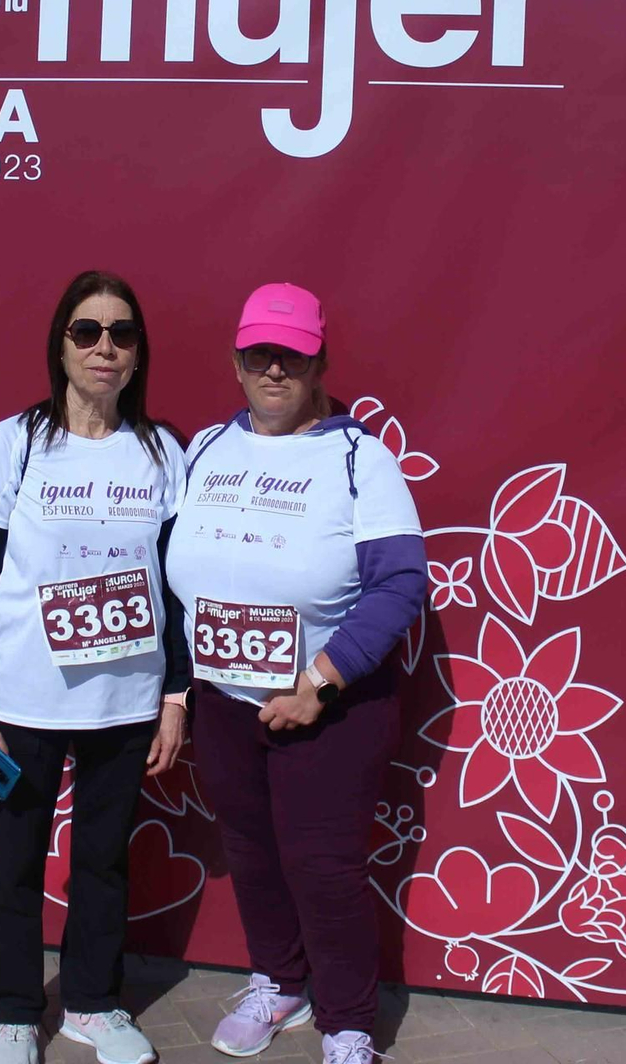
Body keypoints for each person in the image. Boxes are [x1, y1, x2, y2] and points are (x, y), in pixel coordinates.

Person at [165, 283, 428, 1064]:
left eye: (292, 355)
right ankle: (278, 980)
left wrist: (319, 680)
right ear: (237, 361)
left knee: (324, 866)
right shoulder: (205, 447)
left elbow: (400, 583)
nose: (273, 369)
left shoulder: (360, 457)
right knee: (251, 849)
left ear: (319, 361)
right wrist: (181, 692)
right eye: (258, 354)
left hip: (329, 704)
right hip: (224, 699)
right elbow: (171, 574)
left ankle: (348, 1023)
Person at [0, 270, 190, 1064]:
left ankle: (92, 1004)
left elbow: (176, 586)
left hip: (122, 708)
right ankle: (15, 1014)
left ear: (137, 354)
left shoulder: (161, 452)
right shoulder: (13, 442)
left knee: (102, 860)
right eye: (86, 330)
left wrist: (175, 696)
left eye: (121, 332)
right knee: (15, 861)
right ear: (59, 344)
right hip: (20, 710)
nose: (104, 346)